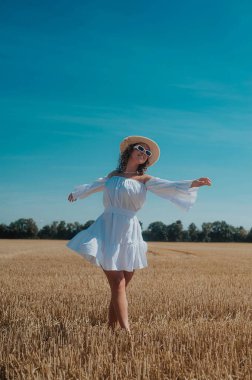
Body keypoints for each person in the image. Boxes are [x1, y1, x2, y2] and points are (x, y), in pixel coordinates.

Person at [66, 135, 211, 333]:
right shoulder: (113, 175)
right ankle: (127, 332)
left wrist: (193, 183)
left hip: (129, 232)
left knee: (120, 288)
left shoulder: (145, 180)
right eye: (141, 148)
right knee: (117, 282)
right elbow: (94, 185)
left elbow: (168, 185)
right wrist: (76, 194)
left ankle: (111, 328)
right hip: (107, 228)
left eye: (148, 152)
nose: (144, 153)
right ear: (129, 151)